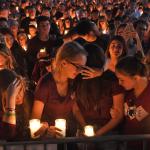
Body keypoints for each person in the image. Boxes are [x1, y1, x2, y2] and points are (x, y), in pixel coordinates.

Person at [31, 41, 87, 139]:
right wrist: (45, 128)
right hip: (49, 139)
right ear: (64, 63)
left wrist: (85, 127)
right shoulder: (46, 84)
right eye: (78, 67)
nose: (80, 71)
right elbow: (35, 118)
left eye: (82, 68)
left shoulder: (72, 81)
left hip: (68, 134)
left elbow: (75, 108)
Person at [73, 43, 124, 150]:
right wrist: (85, 128)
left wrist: (97, 134)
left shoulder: (112, 80)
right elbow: (76, 109)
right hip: (84, 130)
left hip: (108, 131)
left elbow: (118, 115)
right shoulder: (77, 79)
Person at [115, 56, 150, 150]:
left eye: (122, 79)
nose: (119, 83)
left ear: (136, 78)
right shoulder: (127, 92)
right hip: (127, 143)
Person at [0, 69, 30, 141]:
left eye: (20, 90)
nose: (18, 96)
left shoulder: (29, 98)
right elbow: (8, 135)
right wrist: (11, 102)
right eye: (13, 93)